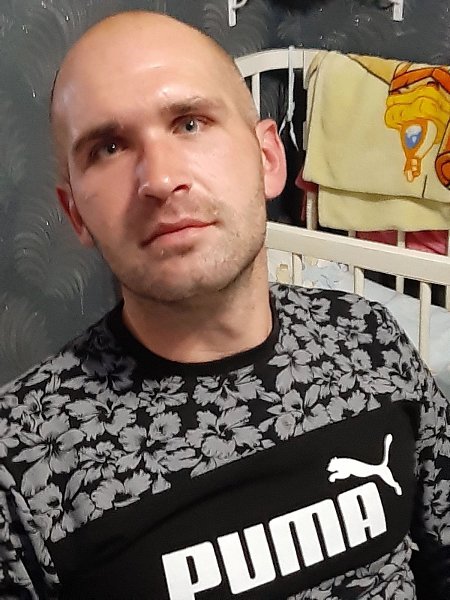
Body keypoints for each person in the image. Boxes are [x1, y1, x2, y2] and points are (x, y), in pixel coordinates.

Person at [0, 10, 448, 600]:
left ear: (268, 159)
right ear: (76, 213)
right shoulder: (22, 462)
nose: (160, 179)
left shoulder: (369, 339)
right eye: (108, 147)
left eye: (190, 123)